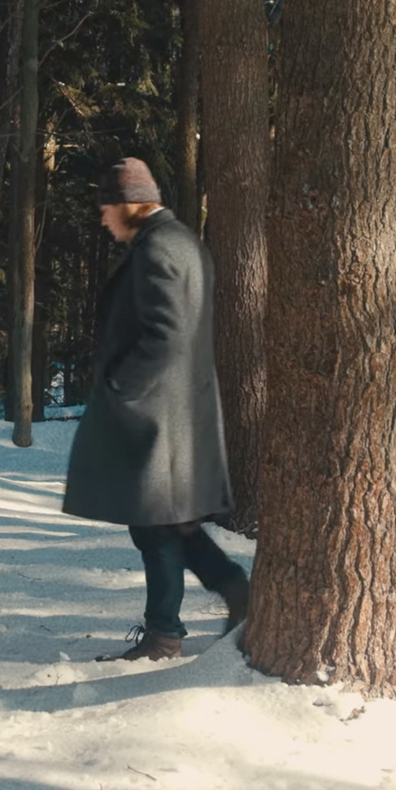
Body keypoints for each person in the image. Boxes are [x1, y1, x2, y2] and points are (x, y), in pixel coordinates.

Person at [62, 157, 249, 661]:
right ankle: (234, 591)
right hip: (175, 410)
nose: (103, 219)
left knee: (155, 527)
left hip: (157, 413)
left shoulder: (159, 248)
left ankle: (166, 633)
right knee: (167, 524)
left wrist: (123, 389)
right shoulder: (178, 241)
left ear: (128, 203)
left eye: (106, 208)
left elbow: (168, 334)